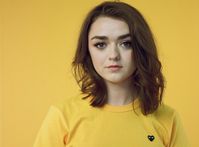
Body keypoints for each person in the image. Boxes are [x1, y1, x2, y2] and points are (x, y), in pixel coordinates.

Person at [33, 1, 190, 147]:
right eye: (100, 44)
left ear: (141, 48)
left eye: (126, 43)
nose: (113, 55)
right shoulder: (62, 116)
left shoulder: (168, 119)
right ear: (87, 51)